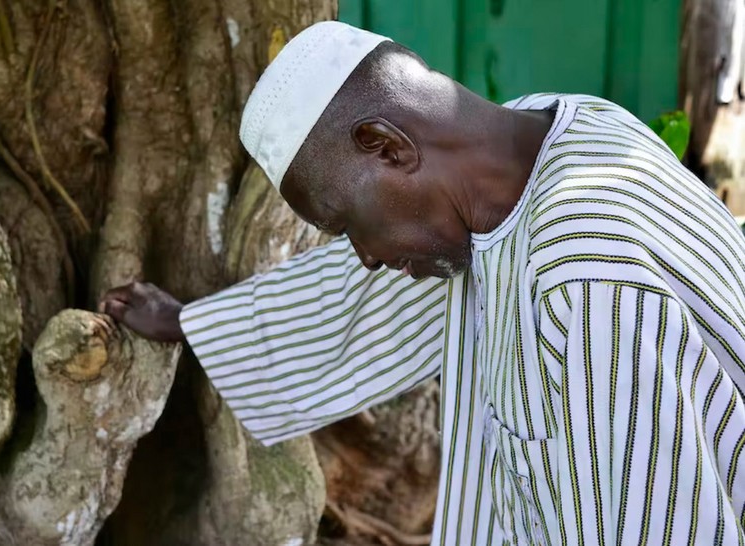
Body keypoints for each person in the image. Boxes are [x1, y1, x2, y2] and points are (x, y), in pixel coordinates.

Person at [100, 21, 745, 545]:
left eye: (346, 224)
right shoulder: (544, 139)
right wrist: (198, 324)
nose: (366, 258)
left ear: (387, 145)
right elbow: (358, 300)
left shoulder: (587, 286)